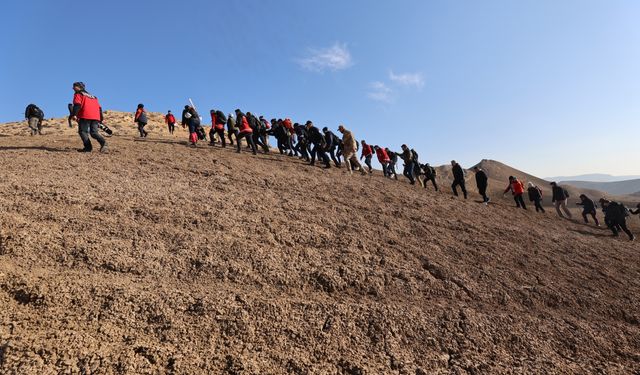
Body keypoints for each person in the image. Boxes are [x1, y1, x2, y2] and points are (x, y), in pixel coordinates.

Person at [70, 82, 107, 153]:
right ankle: (104, 143)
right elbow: (99, 108)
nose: (73, 88)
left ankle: (88, 148)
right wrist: (100, 118)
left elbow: (77, 104)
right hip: (96, 116)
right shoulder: (93, 96)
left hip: (85, 115)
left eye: (74, 87)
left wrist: (74, 114)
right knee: (94, 133)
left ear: (79, 87)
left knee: (83, 131)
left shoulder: (78, 94)